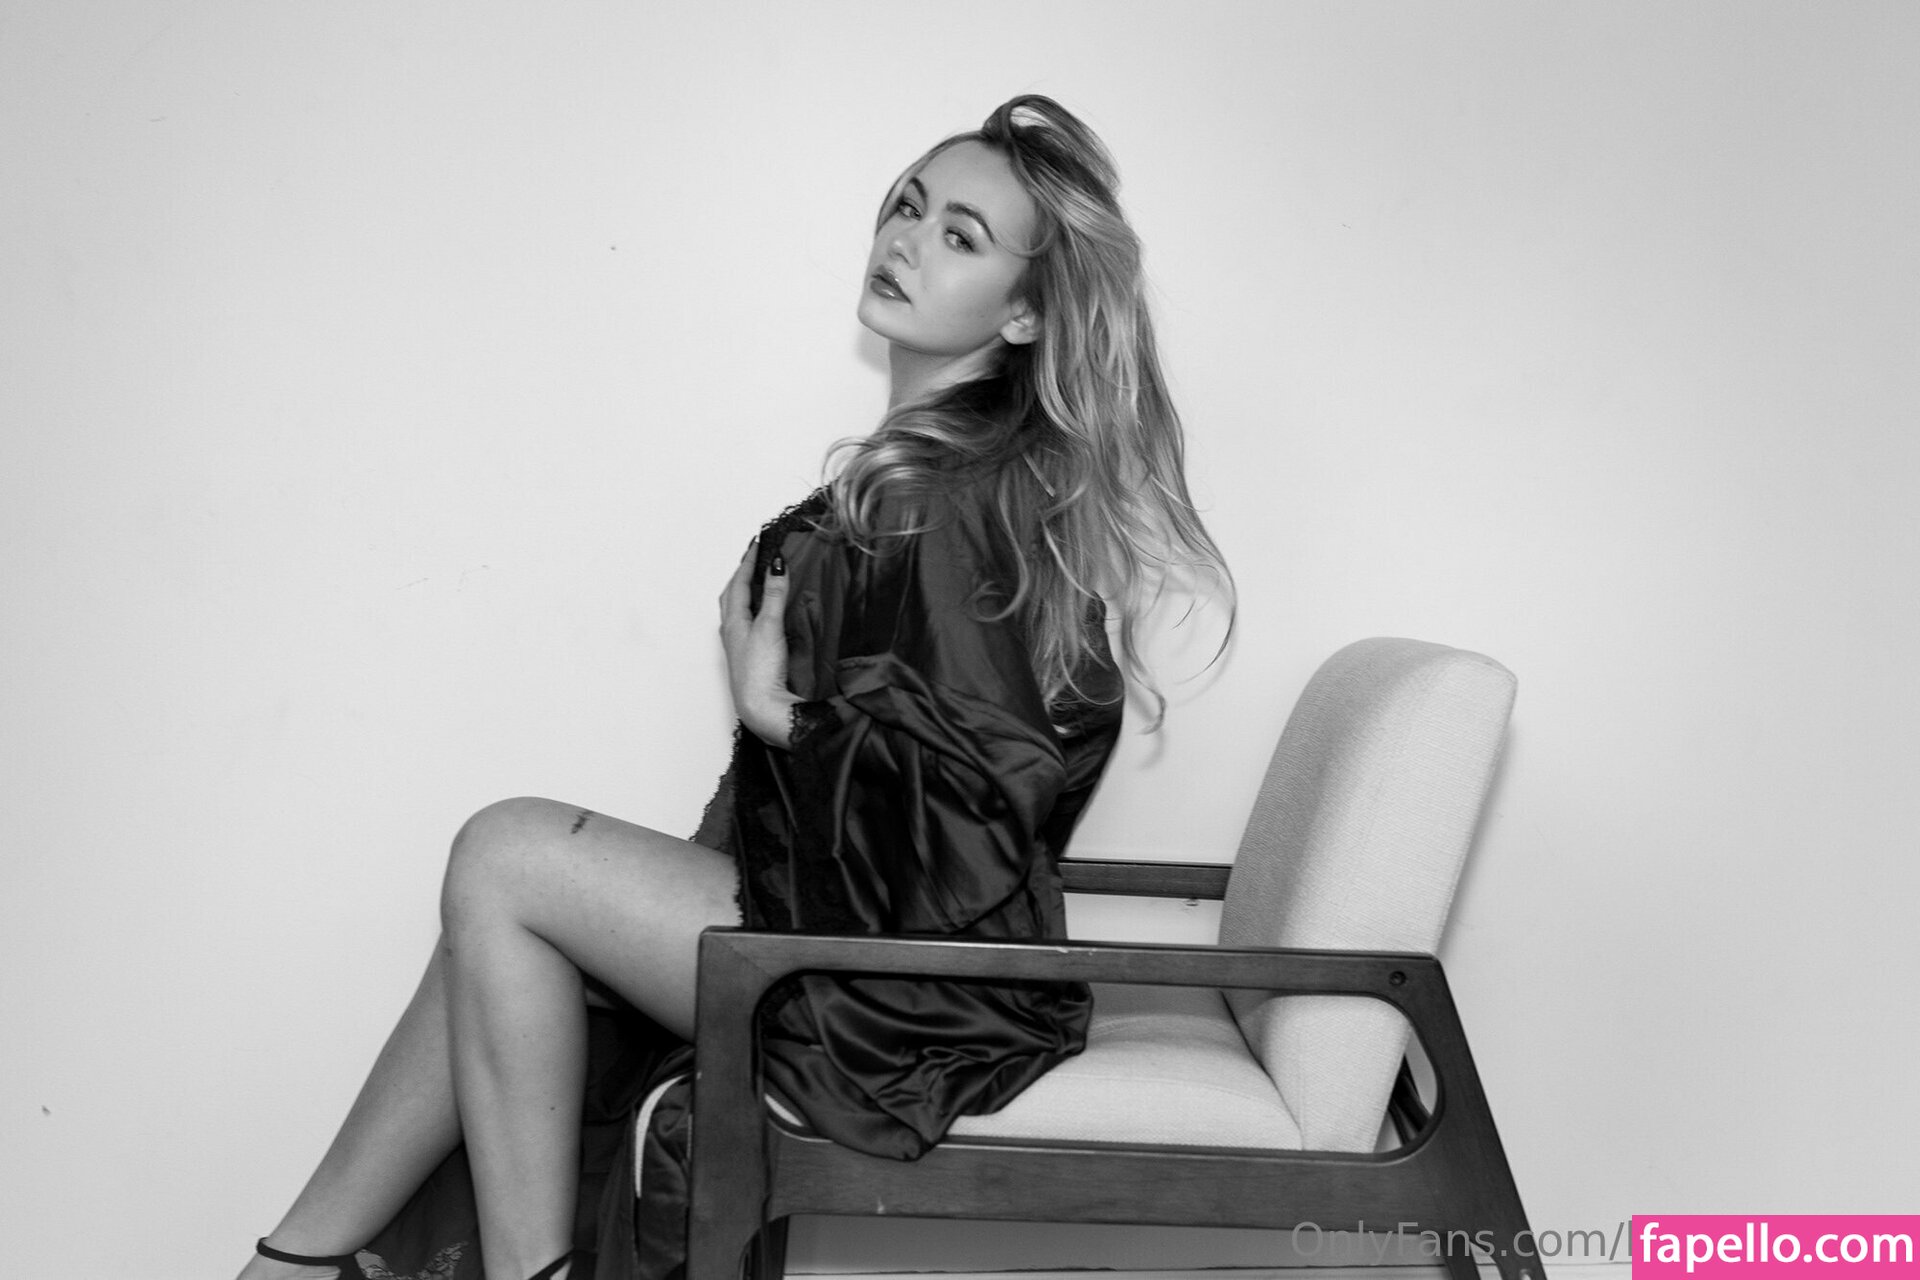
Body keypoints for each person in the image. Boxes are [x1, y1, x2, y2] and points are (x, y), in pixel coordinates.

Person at [236, 94, 1231, 1280]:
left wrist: (781, 715)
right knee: (492, 928)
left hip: (910, 997)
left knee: (505, 853)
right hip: (860, 943)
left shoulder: (942, 499)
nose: (906, 240)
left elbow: (979, 808)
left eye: (961, 236)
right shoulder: (925, 477)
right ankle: (292, 1265)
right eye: (908, 206)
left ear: (1025, 313)